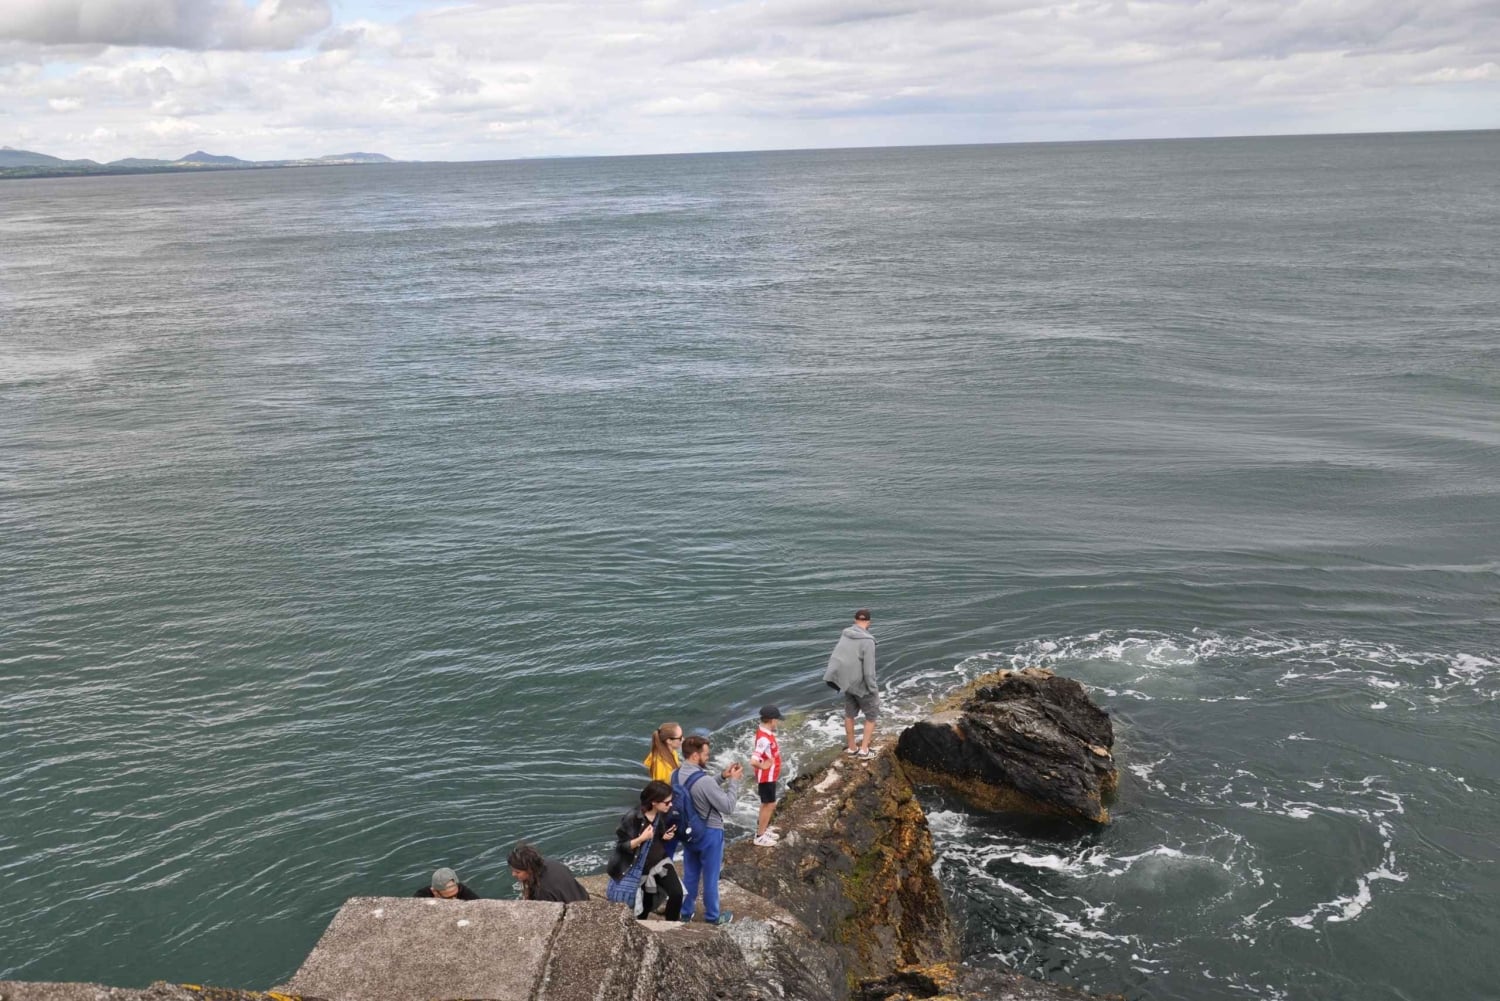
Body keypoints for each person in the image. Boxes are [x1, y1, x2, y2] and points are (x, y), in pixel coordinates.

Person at [674, 733, 742, 925]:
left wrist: (721, 777)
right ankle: (713, 917)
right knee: (710, 878)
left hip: (688, 833)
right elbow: (728, 807)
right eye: (705, 754)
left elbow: (696, 788)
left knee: (690, 875)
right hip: (710, 833)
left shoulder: (676, 774)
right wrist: (734, 781)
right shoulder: (704, 781)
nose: (708, 757)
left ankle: (685, 912)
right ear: (695, 755)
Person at [607, 779, 684, 920]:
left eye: (671, 801)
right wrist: (641, 839)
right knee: (644, 906)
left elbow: (658, 835)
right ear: (654, 802)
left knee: (676, 893)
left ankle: (672, 927)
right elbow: (621, 846)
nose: (671, 805)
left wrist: (665, 836)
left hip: (660, 862)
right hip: (639, 867)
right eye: (667, 802)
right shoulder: (632, 818)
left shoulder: (660, 813)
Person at [824, 608, 879, 759]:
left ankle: (852, 748)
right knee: (871, 716)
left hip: (847, 684)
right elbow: (869, 671)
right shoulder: (868, 641)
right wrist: (873, 689)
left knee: (849, 715)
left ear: (855, 620)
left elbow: (837, 657)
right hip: (862, 686)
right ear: (868, 622)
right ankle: (864, 750)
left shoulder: (845, 635)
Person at [508, 842, 589, 903]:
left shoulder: (542, 891)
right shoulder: (548, 862)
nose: (513, 874)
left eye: (517, 872)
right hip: (583, 897)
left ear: (530, 870)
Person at [749, 705, 784, 847]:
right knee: (770, 804)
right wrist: (763, 766)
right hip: (767, 777)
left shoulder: (764, 731)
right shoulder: (764, 739)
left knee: (766, 803)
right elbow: (753, 760)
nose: (778, 723)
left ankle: (762, 830)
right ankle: (760, 836)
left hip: (769, 776)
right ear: (771, 720)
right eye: (777, 720)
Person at [414, 866, 480, 899]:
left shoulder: (462, 890)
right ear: (434, 892)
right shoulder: (421, 896)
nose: (454, 900)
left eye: (456, 895)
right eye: (448, 898)